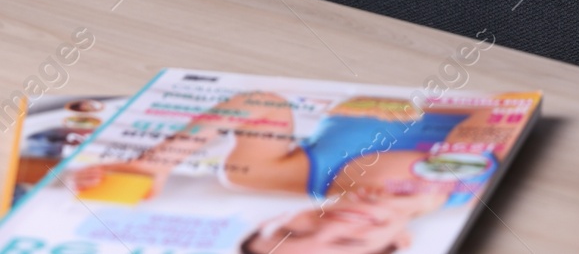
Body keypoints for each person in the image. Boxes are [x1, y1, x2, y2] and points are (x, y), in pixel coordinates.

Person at [66, 90, 509, 254]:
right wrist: (434, 188)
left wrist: (153, 163)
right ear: (401, 241)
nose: (332, 227)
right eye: (350, 242)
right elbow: (499, 106)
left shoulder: (267, 176)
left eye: (291, 235)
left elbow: (259, 104)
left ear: (270, 220)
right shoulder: (467, 184)